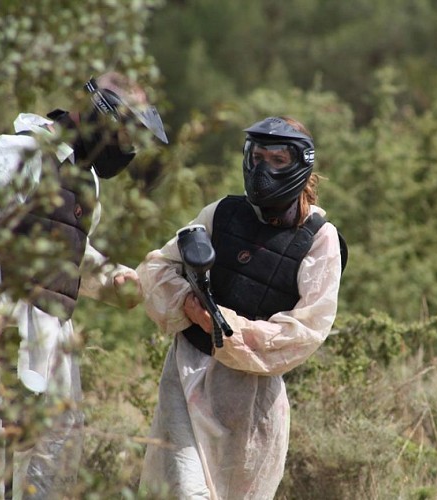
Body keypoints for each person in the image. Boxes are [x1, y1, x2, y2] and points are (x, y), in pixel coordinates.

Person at [0, 71, 168, 498]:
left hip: (52, 340)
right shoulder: (14, 153)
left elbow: (71, 252)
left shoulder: (84, 179)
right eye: (125, 135)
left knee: (47, 471)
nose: (126, 149)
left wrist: (112, 280)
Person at [137, 116, 344, 499]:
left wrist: (224, 328)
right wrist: (188, 303)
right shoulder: (222, 214)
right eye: (257, 156)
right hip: (187, 379)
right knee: (183, 491)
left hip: (252, 403)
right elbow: (156, 268)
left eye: (277, 159)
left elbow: (305, 331)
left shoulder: (320, 239)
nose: (263, 169)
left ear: (301, 164)